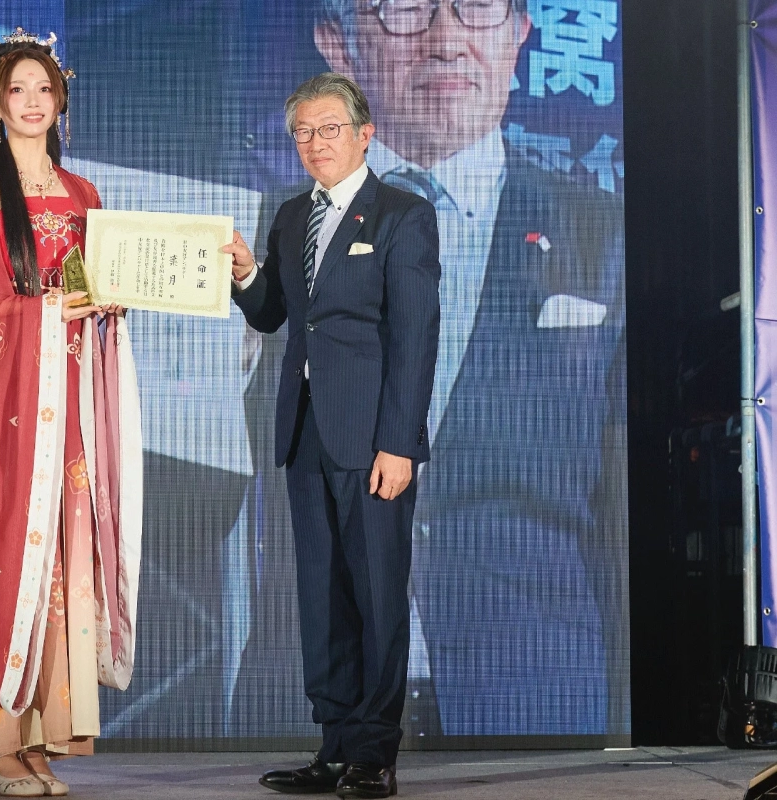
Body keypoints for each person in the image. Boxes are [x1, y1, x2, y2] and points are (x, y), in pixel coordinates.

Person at [313, 0, 628, 735]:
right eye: (404, 10)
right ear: (339, 45)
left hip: (536, 691)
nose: (447, 39)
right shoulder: (282, 230)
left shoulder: (601, 232)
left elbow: (620, 505)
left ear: (520, 32)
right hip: (322, 689)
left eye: (478, 7)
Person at [0, 30, 143, 798]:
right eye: (16, 90)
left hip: (70, 406)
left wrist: (108, 304)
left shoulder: (85, 196)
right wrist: (47, 313)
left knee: (63, 565)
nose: (30, 103)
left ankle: (46, 733)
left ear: (61, 101)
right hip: (3, 412)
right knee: (5, 561)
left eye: (42, 90)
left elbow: (98, 289)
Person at [223, 73, 440, 798]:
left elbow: (415, 339)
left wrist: (401, 443)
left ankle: (375, 752)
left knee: (377, 595)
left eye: (329, 129)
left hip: (375, 438)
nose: (315, 144)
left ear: (364, 132)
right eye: (302, 133)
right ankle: (335, 744)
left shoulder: (403, 216)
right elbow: (271, 315)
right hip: (305, 436)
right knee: (321, 595)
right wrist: (250, 274)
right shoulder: (290, 217)